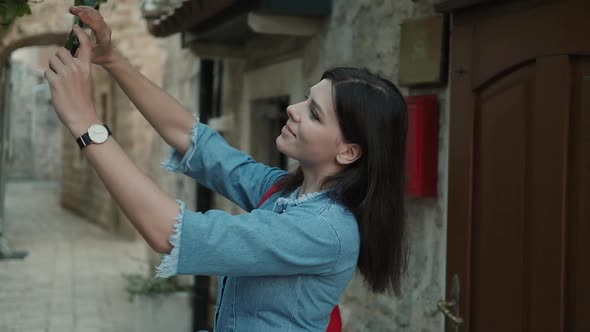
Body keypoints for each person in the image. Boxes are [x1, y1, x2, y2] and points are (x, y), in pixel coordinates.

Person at [44, 6, 408, 331]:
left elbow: (169, 232)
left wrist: (84, 122)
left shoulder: (323, 229)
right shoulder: (286, 192)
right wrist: (113, 59)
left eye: (313, 112)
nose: (293, 109)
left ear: (348, 151)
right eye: (305, 99)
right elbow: (195, 141)